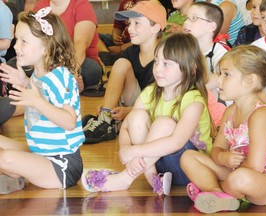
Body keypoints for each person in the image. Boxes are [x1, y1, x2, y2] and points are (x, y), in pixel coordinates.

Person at [81, 33, 214, 195]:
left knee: (164, 124)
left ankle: (126, 178)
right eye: (156, 61)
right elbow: (127, 125)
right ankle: (153, 179)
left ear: (191, 68)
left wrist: (135, 152)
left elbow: (177, 142)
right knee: (137, 116)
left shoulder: (193, 100)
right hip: (158, 162)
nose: (157, 69)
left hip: (190, 168)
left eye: (166, 64)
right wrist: (125, 147)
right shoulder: (151, 92)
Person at [180, 45, 266, 214]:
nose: (219, 80)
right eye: (220, 74)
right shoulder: (230, 112)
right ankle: (216, 193)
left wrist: (226, 166)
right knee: (188, 156)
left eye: (226, 74)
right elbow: (216, 149)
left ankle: (213, 190)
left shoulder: (261, 114)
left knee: (239, 178)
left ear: (250, 81)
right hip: (236, 173)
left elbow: (255, 167)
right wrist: (223, 156)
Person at [0, 8, 85, 194]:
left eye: (24, 41)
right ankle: (19, 174)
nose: (15, 47)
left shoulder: (61, 77)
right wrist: (23, 82)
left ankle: (16, 173)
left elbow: (69, 122)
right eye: (17, 40)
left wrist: (35, 100)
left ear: (45, 47)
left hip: (61, 165)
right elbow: (41, 94)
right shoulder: (39, 74)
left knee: (4, 158)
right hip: (40, 152)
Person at [81, 0, 167, 144]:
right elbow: (121, 85)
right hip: (134, 104)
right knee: (121, 63)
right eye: (129, 24)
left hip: (156, 109)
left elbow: (165, 101)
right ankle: (106, 119)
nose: (130, 29)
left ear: (155, 28)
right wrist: (108, 105)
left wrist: (129, 110)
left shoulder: (167, 57)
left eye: (137, 23)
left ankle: (114, 123)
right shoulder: (130, 52)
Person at [34, 0, 103, 92]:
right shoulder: (41, 5)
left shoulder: (82, 5)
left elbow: (80, 45)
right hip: (49, 59)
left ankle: (53, 82)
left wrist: (70, 72)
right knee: (16, 64)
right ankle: (56, 83)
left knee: (91, 70)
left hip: (78, 60)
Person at [183, 1, 227, 127]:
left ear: (211, 27)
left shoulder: (220, 51)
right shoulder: (187, 50)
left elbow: (221, 78)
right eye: (187, 18)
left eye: (194, 18)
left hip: (219, 116)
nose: (186, 22)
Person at [98, 0, 138, 66]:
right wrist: (115, 35)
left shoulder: (152, 5)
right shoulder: (125, 3)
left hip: (136, 44)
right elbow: (118, 25)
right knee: (94, 36)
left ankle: (121, 57)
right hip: (124, 40)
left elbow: (146, 38)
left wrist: (121, 48)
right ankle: (108, 57)